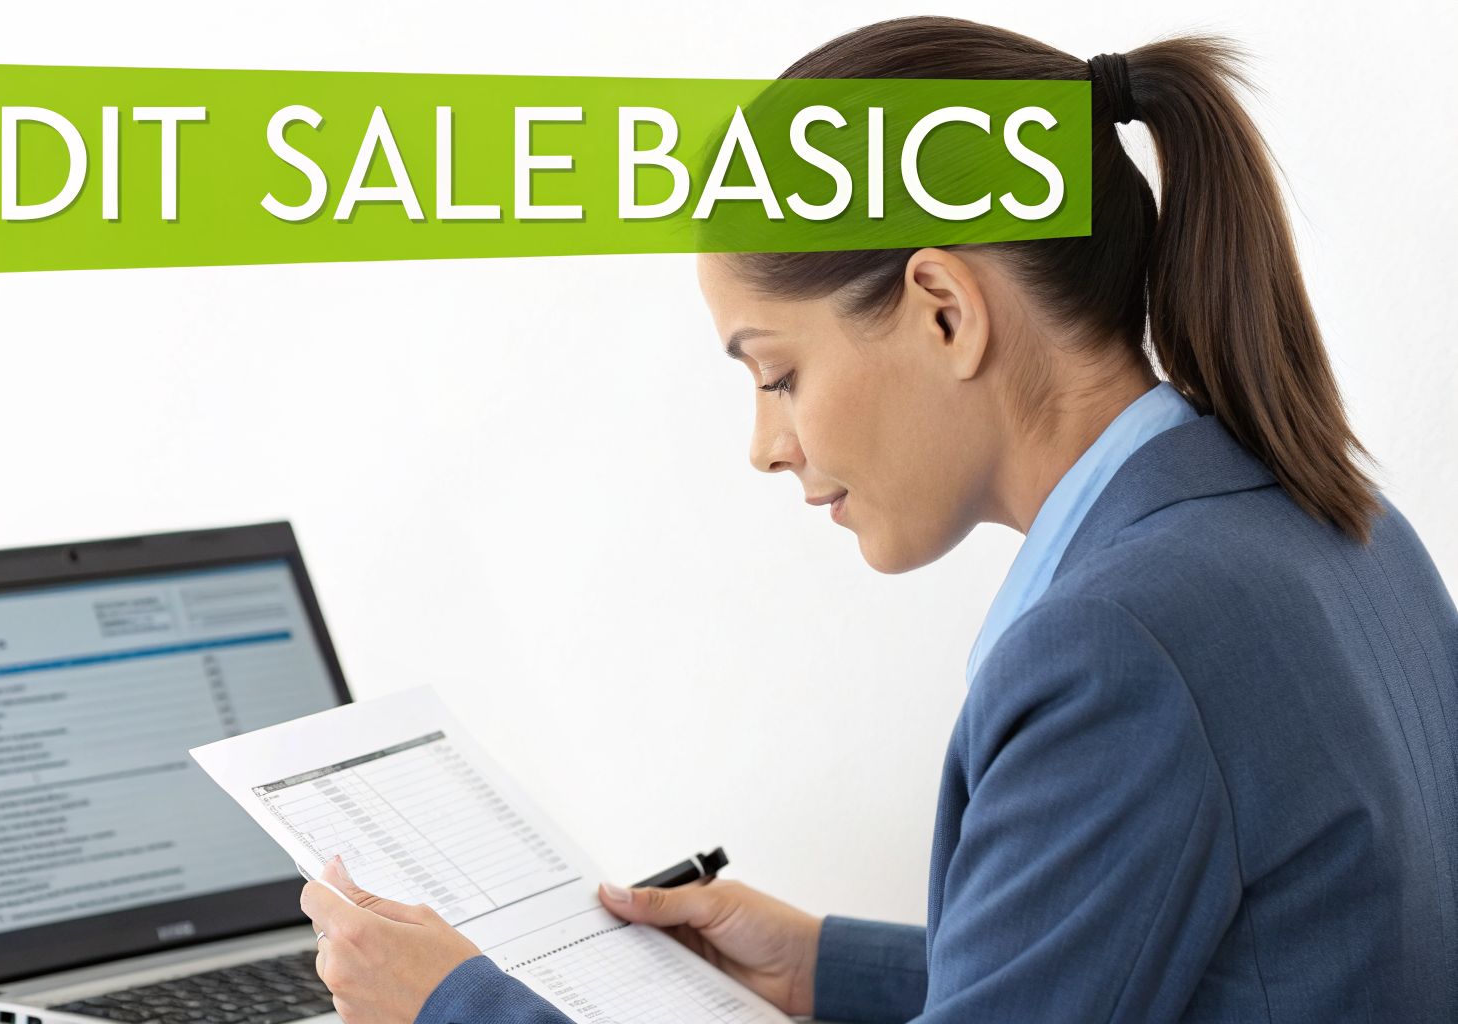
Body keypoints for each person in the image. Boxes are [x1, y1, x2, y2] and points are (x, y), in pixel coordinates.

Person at [297, 16, 1458, 1023]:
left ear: (943, 310)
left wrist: (458, 1004)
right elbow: (1211, 960)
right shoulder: (1329, 525)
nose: (765, 444)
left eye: (776, 372)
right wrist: (822, 966)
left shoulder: (1120, 645)